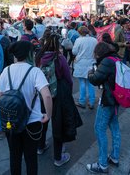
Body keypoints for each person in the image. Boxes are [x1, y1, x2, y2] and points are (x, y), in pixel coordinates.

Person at [0, 41, 53, 175]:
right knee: (31, 157)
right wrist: (48, 115)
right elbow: (47, 96)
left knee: (14, 156)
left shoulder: (6, 71)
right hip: (32, 122)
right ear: (29, 54)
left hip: (11, 121)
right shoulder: (35, 71)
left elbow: (1, 96)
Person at [35, 33, 81, 166]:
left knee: (43, 119)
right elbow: (68, 77)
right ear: (57, 45)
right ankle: (58, 157)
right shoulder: (59, 58)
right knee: (58, 124)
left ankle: (40, 146)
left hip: (42, 92)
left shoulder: (39, 57)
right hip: (59, 93)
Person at [86, 42, 121, 174]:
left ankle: (102, 164)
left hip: (108, 100)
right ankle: (115, 157)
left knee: (99, 129)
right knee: (114, 127)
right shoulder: (116, 58)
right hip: (117, 99)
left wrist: (90, 73)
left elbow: (95, 79)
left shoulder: (106, 61)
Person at [72, 26, 98, 109]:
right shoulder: (94, 40)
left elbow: (74, 52)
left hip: (81, 63)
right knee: (90, 83)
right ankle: (91, 101)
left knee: (82, 83)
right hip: (91, 62)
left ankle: (82, 101)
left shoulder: (78, 40)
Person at [114, 18, 130, 86]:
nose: (128, 24)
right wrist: (123, 44)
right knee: (123, 69)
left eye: (129, 23)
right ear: (123, 25)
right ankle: (125, 85)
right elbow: (115, 42)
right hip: (122, 53)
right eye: (127, 23)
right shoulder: (119, 32)